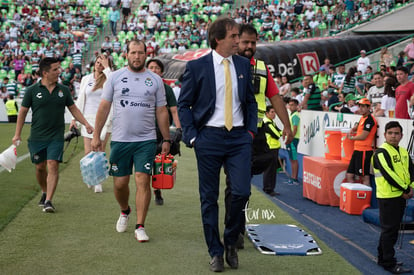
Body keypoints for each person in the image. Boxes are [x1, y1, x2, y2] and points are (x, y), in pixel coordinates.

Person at [178, 18, 258, 272]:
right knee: (208, 198)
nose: (239, 41)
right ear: (218, 39)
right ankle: (215, 250)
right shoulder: (197, 66)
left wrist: (250, 132)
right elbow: (184, 105)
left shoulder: (245, 64)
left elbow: (251, 102)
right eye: (234, 36)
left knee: (242, 192)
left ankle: (231, 239)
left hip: (238, 139)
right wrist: (191, 137)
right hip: (208, 138)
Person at [91, 39, 171, 242]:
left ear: (146, 54)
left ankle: (140, 226)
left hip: (146, 140)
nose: (137, 56)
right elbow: (104, 107)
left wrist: (167, 139)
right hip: (120, 140)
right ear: (126, 54)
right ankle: (125, 210)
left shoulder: (155, 80)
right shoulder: (115, 78)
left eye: (141, 52)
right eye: (133, 52)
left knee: (143, 180)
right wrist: (96, 136)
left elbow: (161, 111)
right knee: (120, 184)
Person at [12, 57, 94, 213]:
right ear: (45, 73)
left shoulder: (63, 90)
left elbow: (73, 109)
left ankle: (49, 200)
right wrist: (17, 134)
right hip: (37, 137)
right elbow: (22, 112)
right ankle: (44, 191)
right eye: (55, 69)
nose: (59, 72)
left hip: (56, 137)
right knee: (40, 167)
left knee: (52, 164)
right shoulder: (31, 91)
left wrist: (86, 124)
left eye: (59, 68)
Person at [372, 121, 413, 274]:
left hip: (401, 196)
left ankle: (383, 258)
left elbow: (411, 172)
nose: (393, 136)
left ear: (401, 136)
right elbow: (389, 174)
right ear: (385, 135)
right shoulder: (381, 152)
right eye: (390, 133)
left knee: (391, 230)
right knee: (389, 231)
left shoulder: (403, 152)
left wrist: (411, 188)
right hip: (388, 197)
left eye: (396, 133)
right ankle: (389, 263)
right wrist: (405, 188)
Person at [70, 54, 114, 193]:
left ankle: (98, 182)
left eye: (102, 63)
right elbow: (80, 99)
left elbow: (113, 82)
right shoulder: (86, 79)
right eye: (97, 62)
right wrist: (74, 119)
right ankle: (90, 177)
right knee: (88, 152)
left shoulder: (109, 78)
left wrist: (107, 68)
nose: (99, 65)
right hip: (87, 118)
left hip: (105, 119)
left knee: (100, 150)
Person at [146, 58, 182, 205]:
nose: (154, 70)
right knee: (145, 166)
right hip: (143, 132)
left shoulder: (166, 89)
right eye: (151, 67)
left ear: (161, 72)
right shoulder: (140, 87)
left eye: (157, 68)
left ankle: (157, 191)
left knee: (158, 164)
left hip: (161, 132)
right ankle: (146, 192)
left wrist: (179, 129)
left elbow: (174, 110)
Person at [346, 98, 377, 186]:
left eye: (363, 106)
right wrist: (354, 128)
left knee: (364, 176)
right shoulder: (363, 118)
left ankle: (365, 198)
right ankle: (353, 196)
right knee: (350, 174)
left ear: (368, 108)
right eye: (360, 106)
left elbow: (363, 136)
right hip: (357, 149)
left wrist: (351, 138)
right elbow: (358, 125)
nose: (361, 108)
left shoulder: (369, 120)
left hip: (364, 151)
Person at [260, 106, 282, 195]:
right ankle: (268, 188)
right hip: (270, 148)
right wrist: (279, 133)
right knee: (270, 170)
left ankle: (269, 188)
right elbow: (277, 134)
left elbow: (279, 131)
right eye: (272, 112)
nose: (274, 114)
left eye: (274, 112)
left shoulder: (271, 122)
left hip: (273, 148)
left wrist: (280, 133)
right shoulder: (267, 123)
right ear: (267, 113)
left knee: (271, 170)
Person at [287, 98, 300, 185]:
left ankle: (294, 178)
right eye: (290, 105)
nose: (291, 107)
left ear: (296, 106)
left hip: (293, 139)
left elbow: (295, 128)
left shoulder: (295, 115)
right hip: (292, 138)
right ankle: (293, 177)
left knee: (294, 159)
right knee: (292, 159)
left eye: (292, 105)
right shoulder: (292, 115)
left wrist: (291, 138)